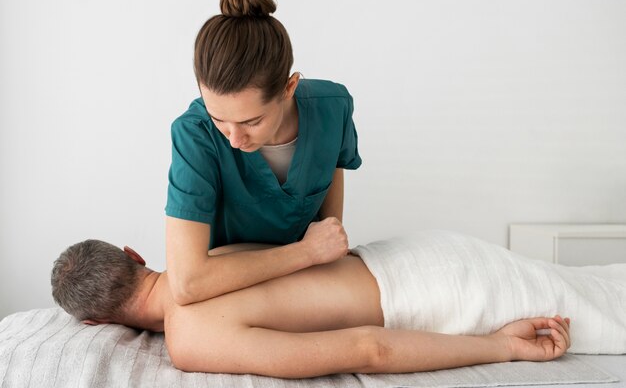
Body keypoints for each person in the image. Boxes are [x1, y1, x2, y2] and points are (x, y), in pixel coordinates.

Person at [51, 234, 583, 379]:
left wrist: (501, 346)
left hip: (440, 297)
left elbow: (366, 348)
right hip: (419, 252)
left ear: (98, 321)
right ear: (133, 254)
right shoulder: (207, 254)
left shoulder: (191, 339)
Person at [165, 0, 362, 306]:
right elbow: (187, 283)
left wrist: (329, 238)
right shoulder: (193, 134)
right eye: (219, 119)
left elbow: (332, 168)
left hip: (309, 284)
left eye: (251, 121)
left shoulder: (333, 106)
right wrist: (306, 252)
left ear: (289, 87)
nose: (233, 139)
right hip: (228, 294)